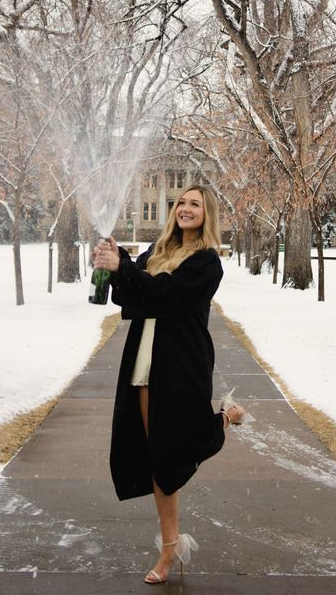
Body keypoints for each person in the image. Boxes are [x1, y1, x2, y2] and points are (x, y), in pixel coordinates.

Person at [92, 184, 248, 585]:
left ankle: (224, 420)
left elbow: (165, 296)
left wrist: (125, 268)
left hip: (181, 365)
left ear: (207, 213)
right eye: (181, 202)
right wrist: (115, 262)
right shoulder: (157, 253)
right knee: (160, 454)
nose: (186, 208)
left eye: (195, 203)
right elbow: (131, 296)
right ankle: (171, 544)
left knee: (171, 450)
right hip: (144, 360)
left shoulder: (207, 263)